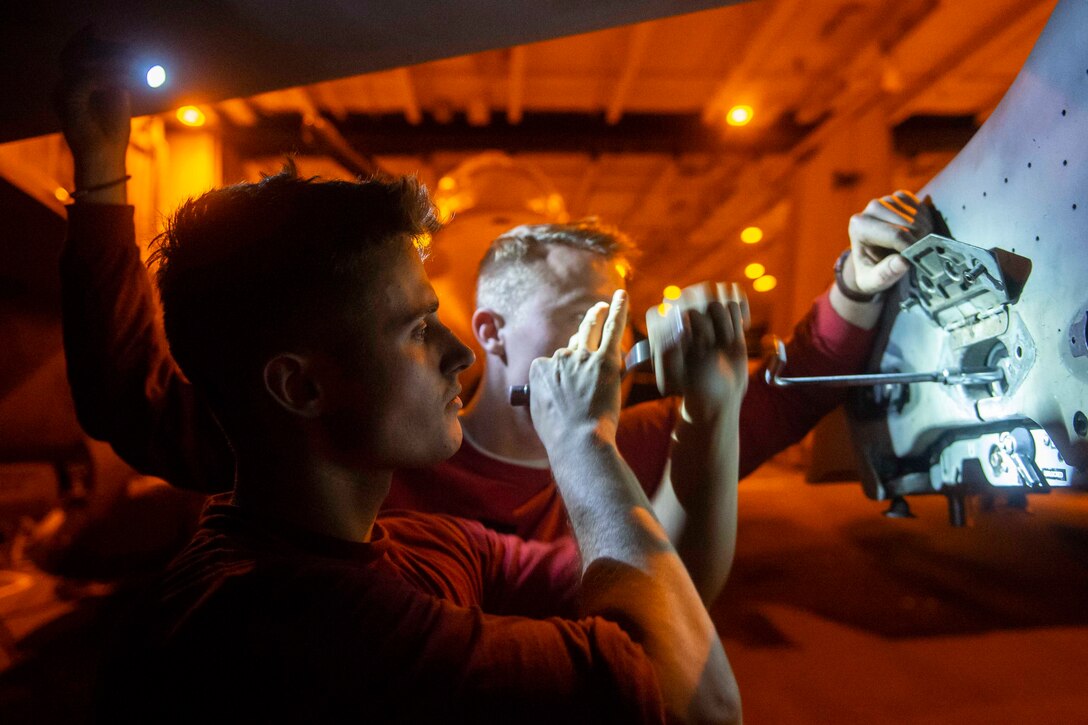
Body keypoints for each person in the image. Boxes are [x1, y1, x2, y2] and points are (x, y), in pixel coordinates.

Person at [59, 38, 932, 605]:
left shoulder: (621, 441)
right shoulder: (354, 443)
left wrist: (856, 284)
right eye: (588, 313)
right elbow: (132, 396)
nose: (620, 342)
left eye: (622, 316)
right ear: (490, 327)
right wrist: (101, 175)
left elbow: (787, 393)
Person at [90, 157, 744, 722]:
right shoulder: (314, 628)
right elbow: (697, 702)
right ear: (300, 387)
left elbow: (661, 584)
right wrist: (581, 442)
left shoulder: (405, 545)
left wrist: (708, 415)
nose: (458, 352)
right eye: (415, 327)